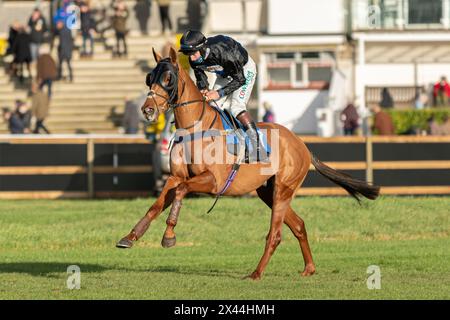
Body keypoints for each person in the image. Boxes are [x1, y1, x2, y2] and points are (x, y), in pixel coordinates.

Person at [178, 30, 266, 161]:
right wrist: (203, 89)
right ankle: (226, 140)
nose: (192, 58)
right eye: (188, 54)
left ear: (202, 48)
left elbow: (240, 79)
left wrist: (219, 93)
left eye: (194, 53)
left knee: (236, 107)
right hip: (225, 74)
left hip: (244, 71)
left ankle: (258, 147)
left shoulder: (221, 52)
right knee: (212, 106)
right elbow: (201, 79)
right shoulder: (194, 59)